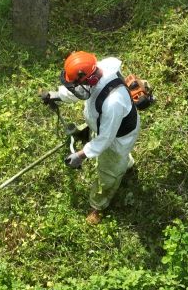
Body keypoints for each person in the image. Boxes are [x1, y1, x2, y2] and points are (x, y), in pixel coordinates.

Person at [40, 51, 140, 224]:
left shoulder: (113, 102)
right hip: (106, 125)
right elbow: (79, 89)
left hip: (116, 140)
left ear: (91, 80)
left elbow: (106, 139)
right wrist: (55, 95)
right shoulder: (97, 71)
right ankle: (126, 164)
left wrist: (80, 155)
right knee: (118, 159)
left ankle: (99, 205)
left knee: (108, 173)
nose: (76, 89)